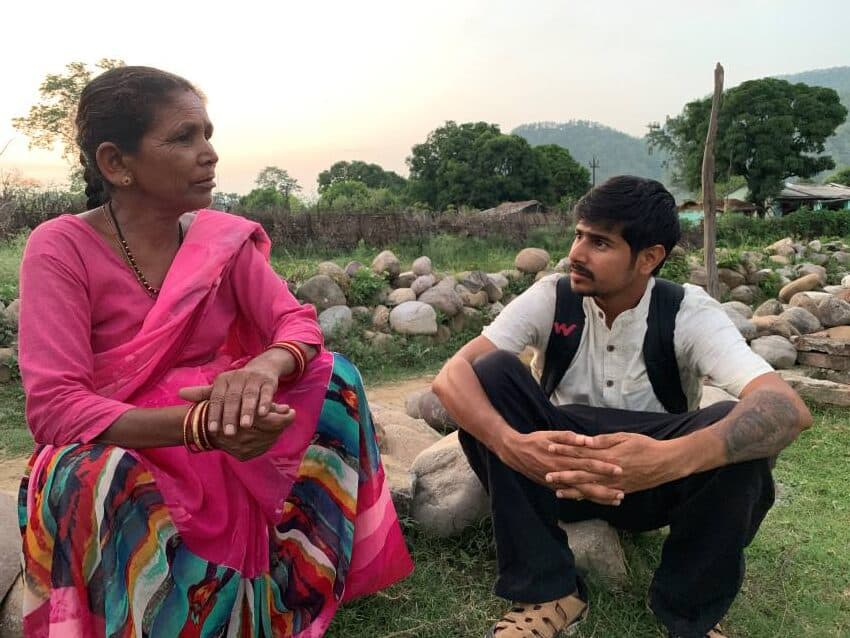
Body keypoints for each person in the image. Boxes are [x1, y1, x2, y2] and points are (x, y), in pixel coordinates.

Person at [17, 65, 412, 637]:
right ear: (115, 164)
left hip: (229, 426)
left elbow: (297, 324)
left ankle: (291, 581)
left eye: (207, 133)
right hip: (138, 438)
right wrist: (201, 426)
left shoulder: (218, 240)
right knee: (87, 475)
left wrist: (262, 368)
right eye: (183, 137)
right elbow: (55, 408)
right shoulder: (61, 247)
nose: (209, 153)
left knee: (335, 382)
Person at [432, 175, 812, 638]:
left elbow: (786, 407)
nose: (576, 253)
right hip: (556, 473)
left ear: (649, 258)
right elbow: (452, 375)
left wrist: (666, 459)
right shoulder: (553, 296)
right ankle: (549, 593)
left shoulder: (686, 311)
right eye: (578, 235)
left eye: (600, 243)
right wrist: (511, 444)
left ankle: (687, 614)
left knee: (740, 430)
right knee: (490, 373)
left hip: (654, 485)